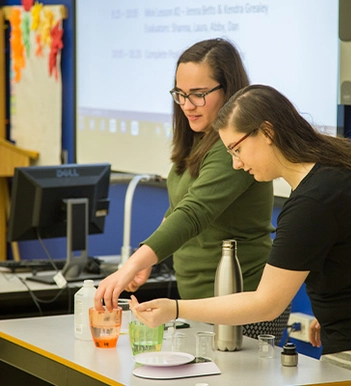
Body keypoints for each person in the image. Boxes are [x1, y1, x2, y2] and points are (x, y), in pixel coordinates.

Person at [131, 84, 351, 384]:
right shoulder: (335, 169)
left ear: (267, 133)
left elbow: (266, 304)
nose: (236, 164)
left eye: (237, 150)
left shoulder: (312, 202)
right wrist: (339, 309)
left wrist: (174, 309)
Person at [95, 40, 291, 341]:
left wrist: (130, 266)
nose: (187, 105)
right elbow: (179, 207)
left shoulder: (233, 149)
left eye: (199, 95)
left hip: (241, 303)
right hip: (202, 304)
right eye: (181, 94)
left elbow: (193, 213)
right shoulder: (196, 140)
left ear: (228, 90)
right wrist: (149, 257)